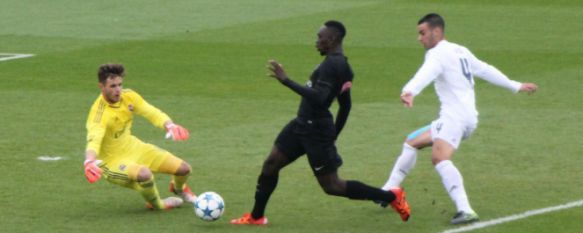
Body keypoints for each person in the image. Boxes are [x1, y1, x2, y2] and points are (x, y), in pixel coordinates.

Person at [230, 20, 410, 225]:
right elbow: (345, 105)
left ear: (332, 39)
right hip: (301, 125)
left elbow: (320, 98)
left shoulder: (334, 65)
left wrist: (286, 81)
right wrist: (336, 133)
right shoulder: (340, 65)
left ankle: (392, 196)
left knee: (332, 186)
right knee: (271, 164)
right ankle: (256, 217)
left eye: (320, 37)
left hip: (316, 131)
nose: (316, 41)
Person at [378, 13, 539, 224]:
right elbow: (484, 69)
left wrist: (409, 91)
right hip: (465, 117)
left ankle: (465, 209)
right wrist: (514, 85)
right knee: (412, 142)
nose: (420, 38)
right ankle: (388, 191)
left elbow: (426, 72)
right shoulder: (459, 50)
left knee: (440, 158)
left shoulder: (437, 54)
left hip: (454, 118)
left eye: (422, 33)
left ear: (436, 32)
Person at [83, 63, 197, 210]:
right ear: (101, 86)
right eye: (112, 86)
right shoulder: (99, 114)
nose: (118, 90)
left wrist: (169, 125)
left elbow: (150, 111)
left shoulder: (128, 96)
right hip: (112, 161)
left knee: (184, 169)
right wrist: (89, 161)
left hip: (134, 148)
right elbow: (94, 139)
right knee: (144, 174)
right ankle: (157, 204)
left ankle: (178, 189)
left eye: (120, 84)